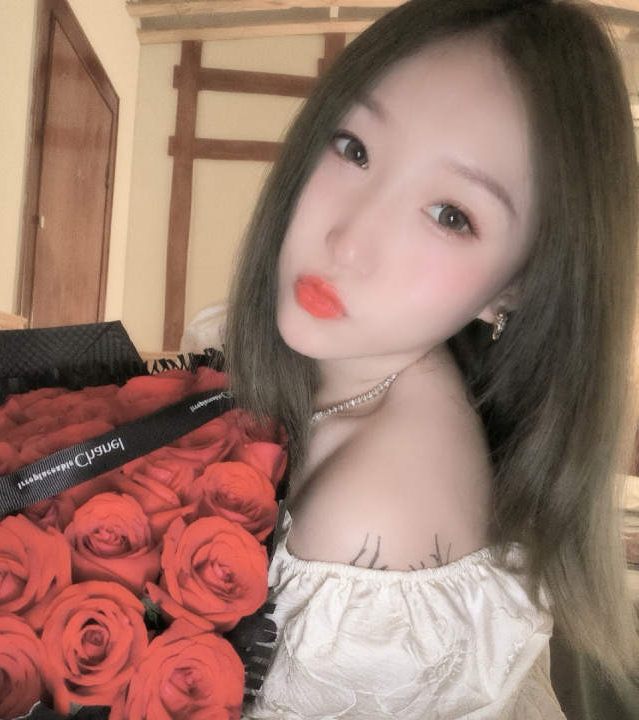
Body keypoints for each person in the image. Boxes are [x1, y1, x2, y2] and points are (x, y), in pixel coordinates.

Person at [226, 0, 639, 717]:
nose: (348, 241)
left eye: (451, 215)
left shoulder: (375, 518)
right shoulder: (365, 377)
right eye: (354, 148)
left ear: (516, 286)